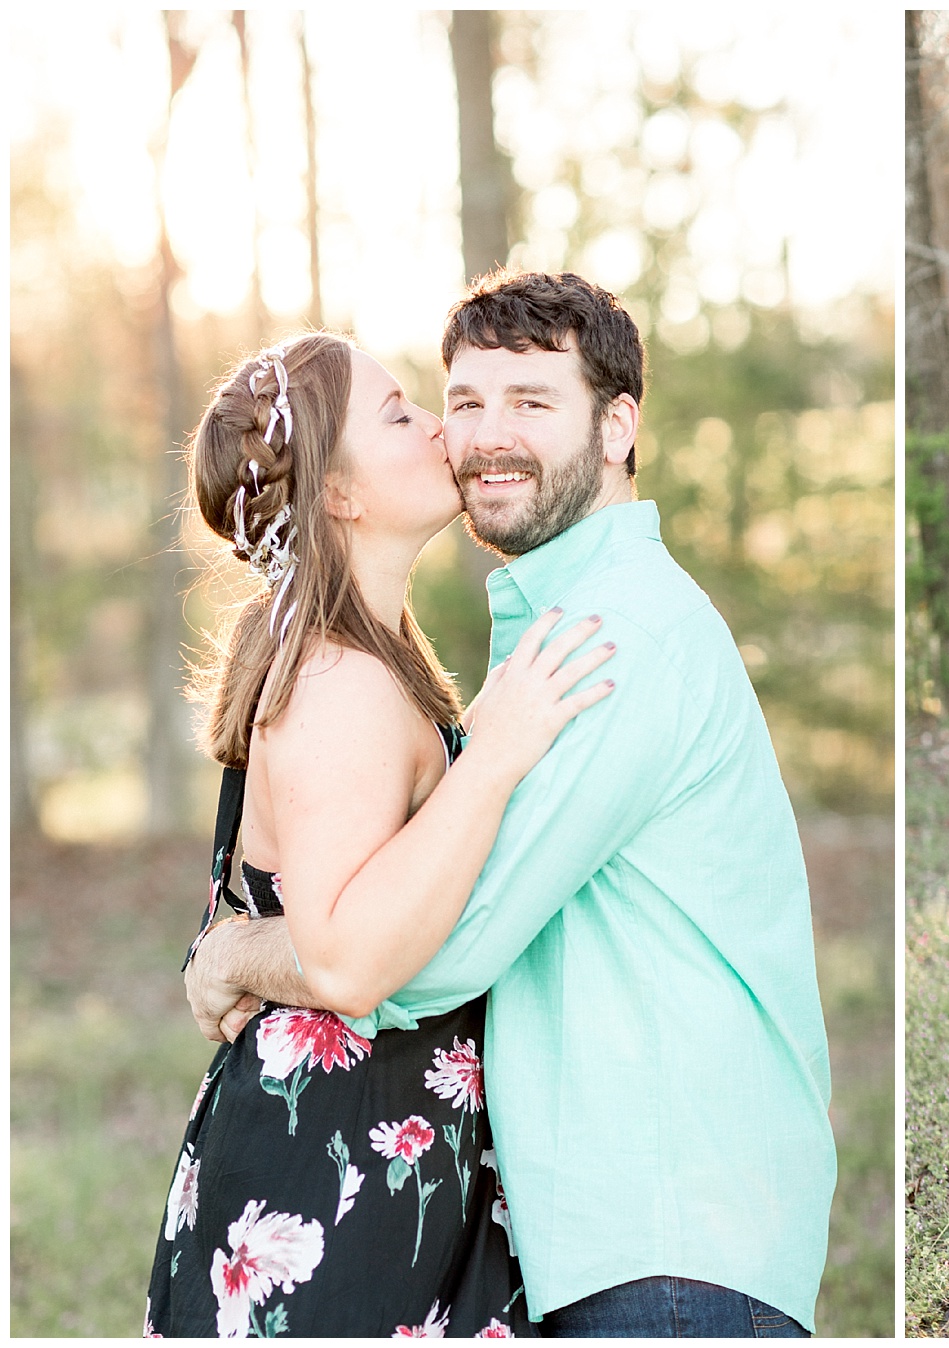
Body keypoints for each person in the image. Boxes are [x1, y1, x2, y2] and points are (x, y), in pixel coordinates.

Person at [183, 271, 837, 1337]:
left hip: (666, 1233)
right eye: (460, 400)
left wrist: (240, 954)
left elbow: (435, 945)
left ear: (620, 427)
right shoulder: (522, 640)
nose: (477, 436)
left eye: (532, 403)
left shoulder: (608, 638)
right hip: (580, 1229)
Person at [147, 333, 617, 1337]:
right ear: (340, 496)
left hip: (370, 1139)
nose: (440, 428)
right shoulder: (337, 681)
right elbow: (350, 957)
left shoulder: (369, 654)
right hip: (332, 1162)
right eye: (400, 413)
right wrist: (498, 754)